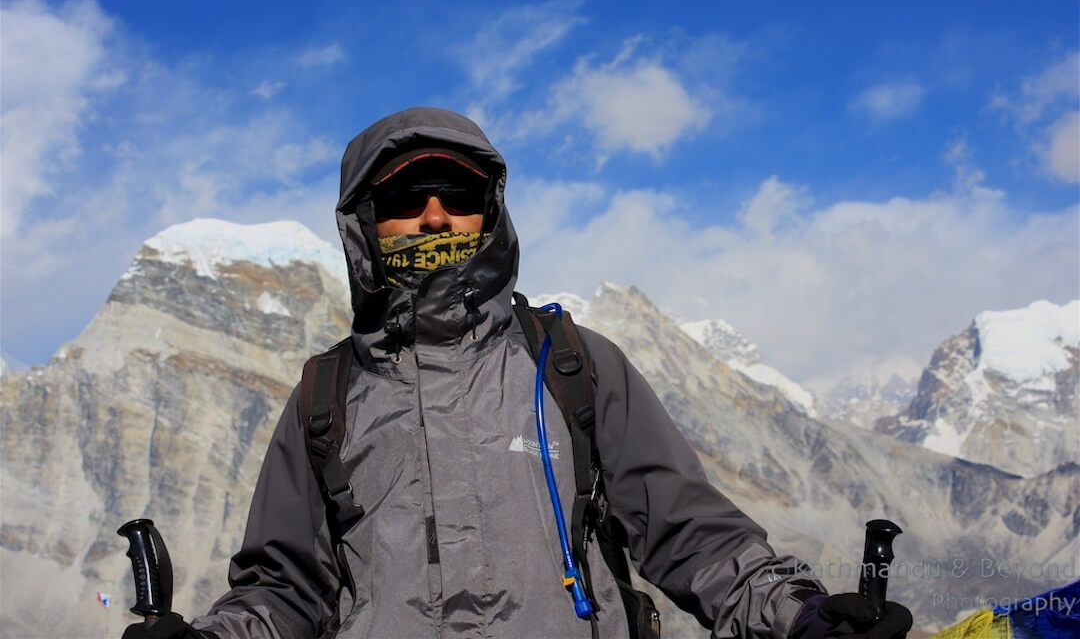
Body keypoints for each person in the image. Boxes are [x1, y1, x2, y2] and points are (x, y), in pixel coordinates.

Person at [123, 107, 912, 639]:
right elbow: (284, 589)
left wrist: (802, 619)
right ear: (366, 224)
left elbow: (693, 538)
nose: (434, 215)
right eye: (406, 196)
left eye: (457, 193)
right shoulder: (325, 398)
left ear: (489, 212)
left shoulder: (575, 365)